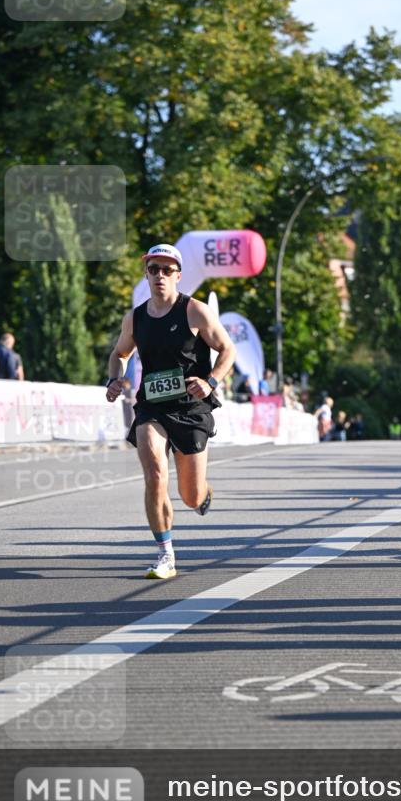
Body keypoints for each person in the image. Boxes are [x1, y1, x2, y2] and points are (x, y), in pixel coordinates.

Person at [105, 244, 236, 580]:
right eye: (153, 269)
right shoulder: (135, 318)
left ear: (178, 274)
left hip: (192, 406)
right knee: (155, 475)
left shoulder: (195, 311)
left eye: (166, 270)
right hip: (152, 406)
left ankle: (203, 492)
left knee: (190, 495)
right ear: (146, 273)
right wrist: (115, 379)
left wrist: (211, 382)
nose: (159, 275)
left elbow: (227, 350)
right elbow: (120, 354)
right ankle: (165, 555)